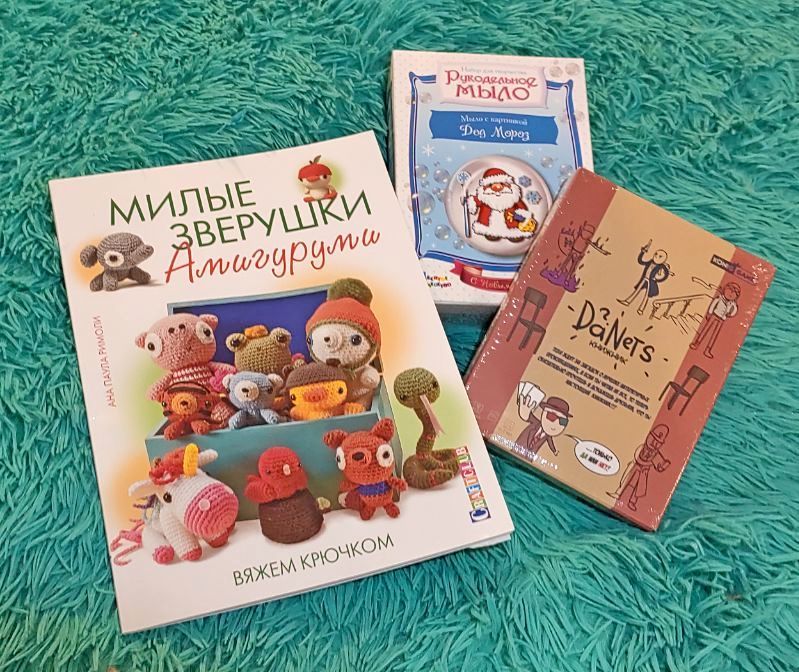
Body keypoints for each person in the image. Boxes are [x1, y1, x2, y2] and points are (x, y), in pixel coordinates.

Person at [607, 424, 670, 511]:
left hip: (644, 471)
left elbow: (659, 466)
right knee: (626, 479)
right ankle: (618, 493)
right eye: (653, 439)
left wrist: (663, 465)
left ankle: (633, 502)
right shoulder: (641, 446)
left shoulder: (655, 454)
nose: (654, 444)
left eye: (657, 443)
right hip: (635, 465)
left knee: (639, 488)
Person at [618, 241, 673, 315]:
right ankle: (627, 301)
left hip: (651, 282)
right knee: (637, 290)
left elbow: (666, 275)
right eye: (656, 254)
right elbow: (640, 261)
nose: (656, 257)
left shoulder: (661, 266)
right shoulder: (650, 262)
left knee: (647, 295)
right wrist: (642, 252)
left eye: (660, 256)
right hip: (644, 279)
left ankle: (641, 309)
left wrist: (657, 279)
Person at [690, 282, 740, 358]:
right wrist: (709, 313)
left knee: (714, 335)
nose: (731, 294)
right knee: (705, 330)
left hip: (722, 319)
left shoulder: (732, 303)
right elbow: (713, 304)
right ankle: (697, 343)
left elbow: (735, 310)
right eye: (730, 291)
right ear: (725, 290)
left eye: (734, 293)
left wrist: (730, 314)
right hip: (714, 315)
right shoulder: (719, 298)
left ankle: (708, 349)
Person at [515, 392, 572, 457]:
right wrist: (525, 414)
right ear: (543, 413)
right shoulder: (536, 423)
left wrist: (554, 451)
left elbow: (550, 443)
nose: (556, 423)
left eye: (563, 421)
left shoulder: (548, 435)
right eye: (552, 416)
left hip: (529, 457)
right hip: (516, 450)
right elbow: (528, 417)